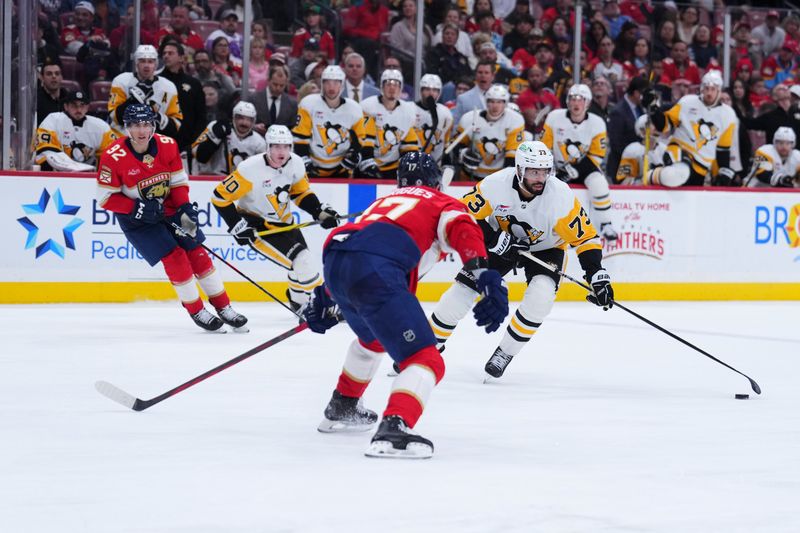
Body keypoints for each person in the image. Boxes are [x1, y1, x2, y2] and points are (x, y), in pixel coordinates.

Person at [304, 151, 508, 458]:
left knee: (372, 339)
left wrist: (326, 296)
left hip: (337, 256)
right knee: (426, 358)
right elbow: (462, 226)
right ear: (436, 182)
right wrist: (484, 275)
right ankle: (394, 427)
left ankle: (343, 405)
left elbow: (359, 245)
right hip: (376, 265)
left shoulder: (383, 203)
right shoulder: (440, 202)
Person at [429, 141, 614, 379]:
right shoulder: (495, 185)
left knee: (541, 297)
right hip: (501, 243)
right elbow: (463, 214)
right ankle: (426, 347)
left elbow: (585, 238)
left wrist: (596, 274)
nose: (540, 178)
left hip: (547, 248)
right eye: (533, 171)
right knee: (462, 290)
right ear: (519, 170)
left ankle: (505, 352)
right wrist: (494, 238)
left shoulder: (560, 197)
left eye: (545, 171)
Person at [96, 104, 247, 332]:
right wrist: (137, 209)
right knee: (175, 258)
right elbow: (106, 198)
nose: (142, 130)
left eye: (146, 124)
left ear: (154, 125)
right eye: (136, 125)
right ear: (126, 128)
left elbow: (177, 182)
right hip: (137, 221)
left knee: (198, 253)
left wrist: (185, 207)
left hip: (171, 208)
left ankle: (224, 307)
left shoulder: (168, 145)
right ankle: (197, 310)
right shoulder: (112, 156)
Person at [210, 125, 341, 311]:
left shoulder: (296, 162)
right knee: (302, 260)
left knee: (300, 264)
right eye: (277, 147)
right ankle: (325, 306)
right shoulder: (249, 169)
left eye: (286, 146)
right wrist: (236, 225)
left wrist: (319, 211)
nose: (282, 151)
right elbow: (219, 197)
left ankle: (299, 303)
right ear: (268, 147)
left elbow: (300, 192)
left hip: (286, 224)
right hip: (258, 226)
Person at [542, 84, 618, 240]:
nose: (576, 103)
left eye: (581, 99)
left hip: (585, 168)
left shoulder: (597, 123)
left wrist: (573, 170)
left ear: (588, 102)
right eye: (572, 99)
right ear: (567, 101)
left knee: (599, 183)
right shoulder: (554, 117)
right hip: (556, 167)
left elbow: (597, 156)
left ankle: (606, 223)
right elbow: (544, 146)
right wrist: (552, 170)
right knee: (544, 187)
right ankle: (544, 223)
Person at [646, 70, 739, 187]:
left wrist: (723, 171)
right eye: (706, 89)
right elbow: (664, 125)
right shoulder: (687, 102)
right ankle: (646, 177)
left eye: (713, 89)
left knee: (686, 195)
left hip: (701, 166)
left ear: (719, 91)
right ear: (701, 89)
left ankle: (658, 176)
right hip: (679, 150)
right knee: (678, 174)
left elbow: (723, 149)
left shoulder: (728, 115)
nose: (709, 93)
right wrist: (654, 108)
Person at [292, 65, 370, 177]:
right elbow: (300, 137)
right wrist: (304, 159)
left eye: (336, 83)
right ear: (322, 84)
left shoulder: (354, 108)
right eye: (327, 82)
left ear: (342, 84)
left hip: (342, 168)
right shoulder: (308, 104)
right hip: (313, 166)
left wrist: (354, 155)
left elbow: (360, 140)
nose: (331, 87)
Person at [108, 44, 183, 139]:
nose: (146, 65)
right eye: (142, 61)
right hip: (122, 138)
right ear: (136, 63)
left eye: (150, 61)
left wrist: (155, 115)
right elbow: (114, 117)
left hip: (154, 141)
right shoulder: (121, 81)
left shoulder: (168, 87)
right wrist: (132, 101)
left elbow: (176, 125)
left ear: (156, 65)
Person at [36, 90, 118, 172]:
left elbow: (113, 156)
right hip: (59, 176)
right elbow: (46, 152)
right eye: (74, 105)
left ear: (87, 107)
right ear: (66, 106)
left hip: (89, 179)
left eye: (82, 105)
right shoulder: (53, 120)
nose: (78, 109)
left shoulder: (101, 127)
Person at [456, 84, 525, 181]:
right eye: (491, 101)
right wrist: (463, 153)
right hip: (469, 175)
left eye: (499, 102)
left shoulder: (514, 120)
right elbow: (456, 145)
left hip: (497, 178)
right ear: (486, 102)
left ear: (505, 103)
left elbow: (512, 156)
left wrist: (505, 180)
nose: (495, 106)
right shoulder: (470, 118)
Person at [360, 69, 420, 179]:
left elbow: (410, 145)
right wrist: (366, 159)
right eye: (388, 84)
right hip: (367, 164)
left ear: (401, 88)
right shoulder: (367, 106)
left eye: (396, 84)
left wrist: (408, 164)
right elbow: (363, 140)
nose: (392, 88)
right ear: (382, 87)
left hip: (393, 167)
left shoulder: (408, 110)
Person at [157, 40, 206, 171]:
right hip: (160, 145)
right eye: (164, 53)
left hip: (186, 147)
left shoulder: (193, 83)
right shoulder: (156, 82)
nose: (166, 56)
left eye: (171, 53)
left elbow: (201, 117)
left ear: (181, 58)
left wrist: (194, 143)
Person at [192, 101, 266, 175]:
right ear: (233, 117)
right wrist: (214, 140)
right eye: (240, 118)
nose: (244, 123)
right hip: (213, 179)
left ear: (254, 121)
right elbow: (197, 155)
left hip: (242, 182)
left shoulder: (259, 142)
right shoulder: (216, 127)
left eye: (249, 119)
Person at [607, 76, 647, 178]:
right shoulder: (618, 112)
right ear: (636, 93)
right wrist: (633, 155)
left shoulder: (642, 108)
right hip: (620, 167)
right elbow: (615, 143)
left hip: (638, 166)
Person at [413, 74, 454, 166]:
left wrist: (446, 164)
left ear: (439, 93)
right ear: (421, 90)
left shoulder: (445, 113)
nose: (431, 93)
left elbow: (445, 144)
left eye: (435, 90)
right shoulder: (410, 109)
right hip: (412, 163)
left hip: (434, 166)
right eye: (427, 89)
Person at [252, 64, 298, 132]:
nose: (278, 88)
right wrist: (254, 127)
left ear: (286, 83)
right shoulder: (254, 99)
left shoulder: (292, 104)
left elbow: (294, 128)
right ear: (268, 81)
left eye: (282, 85)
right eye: (275, 84)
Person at [37, 57, 68, 125]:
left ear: (61, 77)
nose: (54, 76)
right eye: (49, 74)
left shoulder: (68, 98)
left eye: (57, 73)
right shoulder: (36, 100)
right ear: (42, 77)